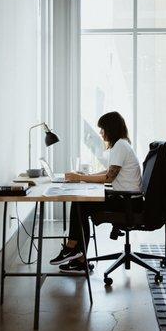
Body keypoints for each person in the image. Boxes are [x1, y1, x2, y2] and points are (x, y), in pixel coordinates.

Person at [50, 111, 142, 273]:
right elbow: (109, 170)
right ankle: (78, 258)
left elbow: (108, 177)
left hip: (127, 202)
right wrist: (85, 177)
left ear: (111, 129)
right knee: (81, 203)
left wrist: (79, 177)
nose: (100, 133)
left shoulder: (120, 145)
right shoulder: (122, 144)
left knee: (81, 204)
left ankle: (73, 249)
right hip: (127, 199)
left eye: (102, 129)